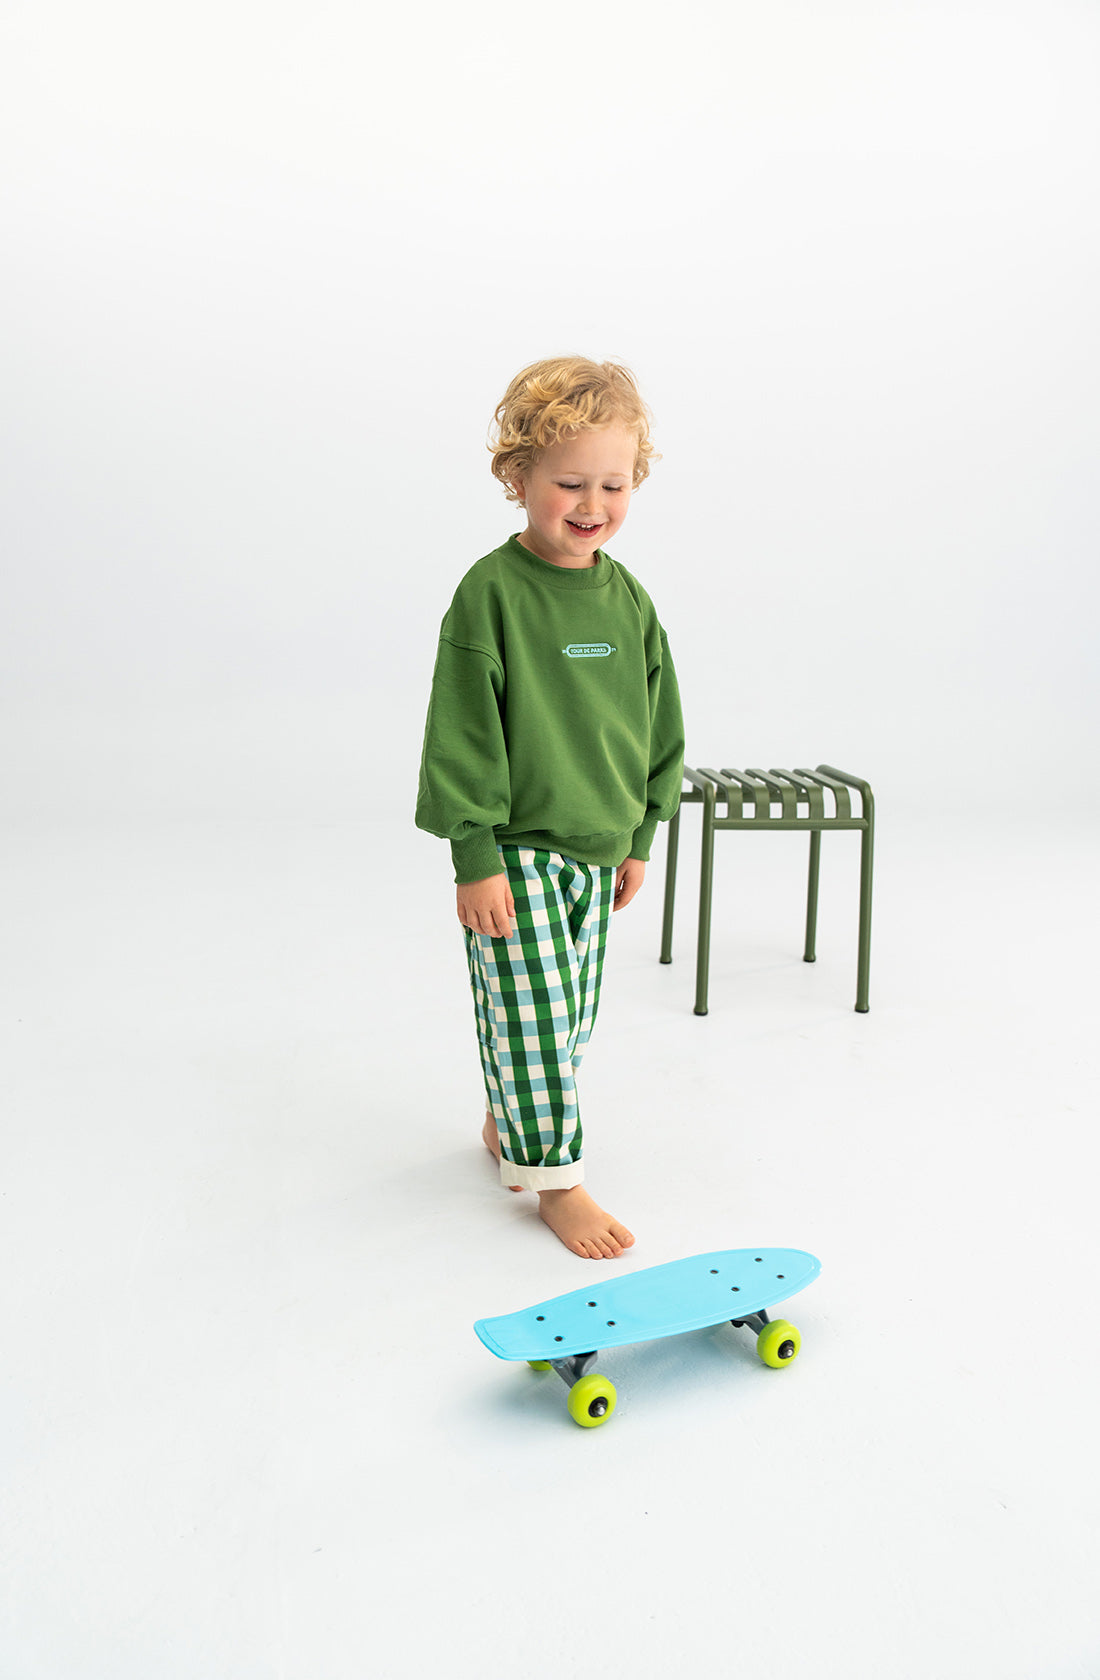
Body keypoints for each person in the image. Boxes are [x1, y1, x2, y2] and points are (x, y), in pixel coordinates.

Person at [415, 356, 684, 1259]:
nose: (591, 503)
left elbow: (659, 726)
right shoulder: (490, 593)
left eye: (613, 483)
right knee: (528, 1012)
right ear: (519, 476)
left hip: (600, 852)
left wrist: (641, 834)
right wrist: (474, 851)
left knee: (562, 1017)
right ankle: (556, 1180)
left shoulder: (630, 601)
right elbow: (460, 730)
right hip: (518, 848)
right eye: (569, 482)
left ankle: (511, 1125)